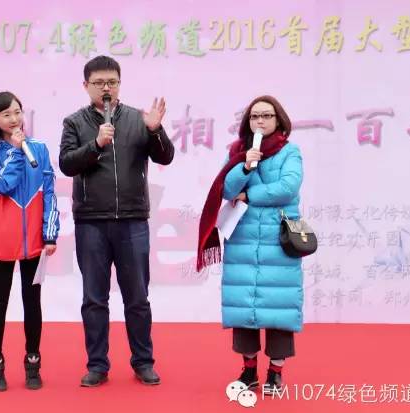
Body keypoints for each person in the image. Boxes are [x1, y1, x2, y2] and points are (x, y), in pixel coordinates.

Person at [59, 56, 175, 387]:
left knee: (137, 298)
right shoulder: (74, 122)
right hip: (91, 222)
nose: (106, 88)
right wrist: (96, 144)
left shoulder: (139, 119)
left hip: (132, 221)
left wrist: (155, 130)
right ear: (86, 86)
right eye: (99, 83)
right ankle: (97, 364)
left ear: (120, 84)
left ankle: (143, 362)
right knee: (94, 299)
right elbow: (66, 163)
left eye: (112, 82)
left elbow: (165, 156)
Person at [197, 95, 304, 394]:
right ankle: (248, 371)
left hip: (278, 240)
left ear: (278, 120)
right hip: (242, 238)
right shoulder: (238, 151)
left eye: (267, 116)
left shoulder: (290, 152)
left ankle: (275, 373)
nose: (260, 121)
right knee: (243, 307)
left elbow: (288, 187)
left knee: (279, 308)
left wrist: (251, 195)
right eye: (255, 116)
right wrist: (245, 167)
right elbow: (226, 189)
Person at [0, 91, 59, 391]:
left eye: (17, 112)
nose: (14, 119)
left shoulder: (39, 149)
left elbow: (49, 192)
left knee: (32, 301)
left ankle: (33, 362)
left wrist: (50, 232)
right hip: (1, 240)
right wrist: (15, 151)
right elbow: (3, 184)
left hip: (33, 241)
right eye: (7, 114)